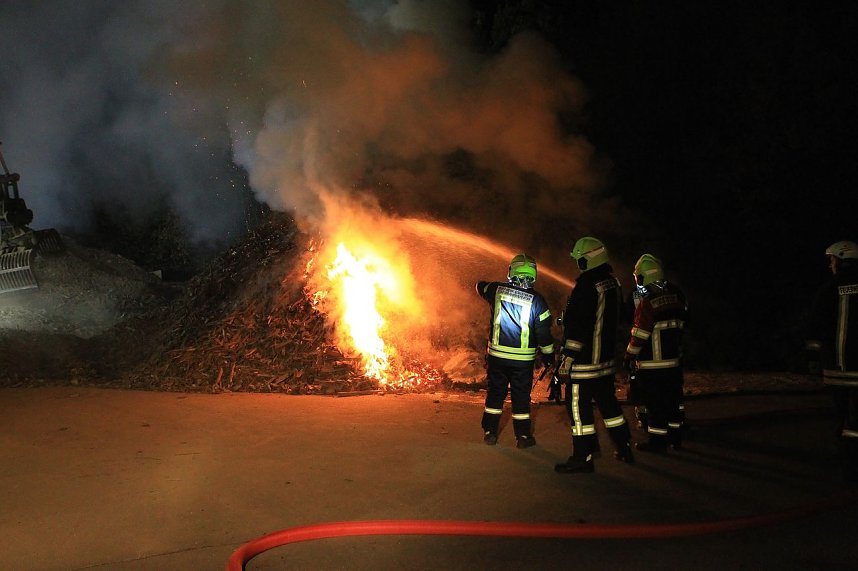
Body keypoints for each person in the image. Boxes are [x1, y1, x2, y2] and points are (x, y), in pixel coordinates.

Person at [554, 237, 634, 473]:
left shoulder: (586, 286)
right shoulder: (612, 284)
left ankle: (583, 456)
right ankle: (624, 445)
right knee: (610, 407)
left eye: (579, 259)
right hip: (605, 363)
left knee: (578, 411)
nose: (577, 264)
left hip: (584, 364)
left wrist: (567, 358)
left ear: (587, 259)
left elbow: (579, 327)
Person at [476, 253, 555, 448]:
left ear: (511, 272)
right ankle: (523, 437)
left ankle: (490, 432)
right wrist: (548, 355)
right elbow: (543, 333)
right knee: (521, 398)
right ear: (534, 275)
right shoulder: (538, 301)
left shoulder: (496, 290)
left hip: (497, 358)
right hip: (522, 362)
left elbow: (480, 286)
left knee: (495, 393)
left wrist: (489, 286)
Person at [623, 254, 689, 452]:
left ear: (645, 277)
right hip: (674, 362)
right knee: (673, 402)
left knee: (656, 405)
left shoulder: (648, 302)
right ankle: (675, 438)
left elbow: (640, 334)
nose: (638, 282)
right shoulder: (676, 296)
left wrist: (628, 355)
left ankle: (657, 443)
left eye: (639, 278)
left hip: (653, 364)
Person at [806, 240, 858, 483]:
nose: (830, 265)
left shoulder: (829, 289)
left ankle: (847, 468)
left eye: (832, 260)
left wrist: (814, 359)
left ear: (842, 259)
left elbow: (816, 325)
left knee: (843, 417)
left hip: (836, 370)